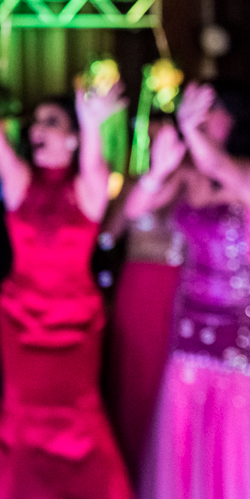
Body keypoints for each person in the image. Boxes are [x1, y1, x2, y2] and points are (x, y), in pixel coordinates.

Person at [126, 82, 250, 499]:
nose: (204, 121)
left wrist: (189, 127)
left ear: (233, 120)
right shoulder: (187, 175)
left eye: (212, 113)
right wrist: (157, 171)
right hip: (192, 312)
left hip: (245, 316)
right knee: (186, 423)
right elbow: (134, 211)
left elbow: (212, 161)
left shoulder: (248, 174)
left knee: (236, 432)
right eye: (198, 114)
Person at [0, 62, 134, 499]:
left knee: (77, 418)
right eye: (37, 123)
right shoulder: (21, 181)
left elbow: (97, 167)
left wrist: (93, 123)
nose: (38, 130)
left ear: (74, 138)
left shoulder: (88, 187)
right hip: (20, 319)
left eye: (51, 123)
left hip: (75, 320)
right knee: (19, 416)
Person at [103, 113, 185, 479]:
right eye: (150, 140)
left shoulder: (191, 184)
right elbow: (108, 236)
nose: (155, 147)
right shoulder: (134, 184)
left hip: (180, 287)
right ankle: (132, 469)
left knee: (171, 376)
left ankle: (166, 473)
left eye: (162, 138)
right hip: (139, 286)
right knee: (135, 374)